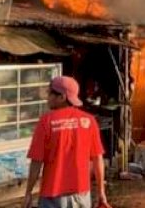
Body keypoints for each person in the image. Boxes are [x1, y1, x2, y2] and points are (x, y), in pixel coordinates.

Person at [23, 76, 111, 208]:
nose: (48, 97)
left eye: (50, 93)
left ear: (62, 97)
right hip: (82, 194)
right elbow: (98, 159)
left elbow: (36, 161)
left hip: (52, 195)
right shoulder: (89, 121)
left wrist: (28, 192)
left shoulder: (46, 122)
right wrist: (101, 192)